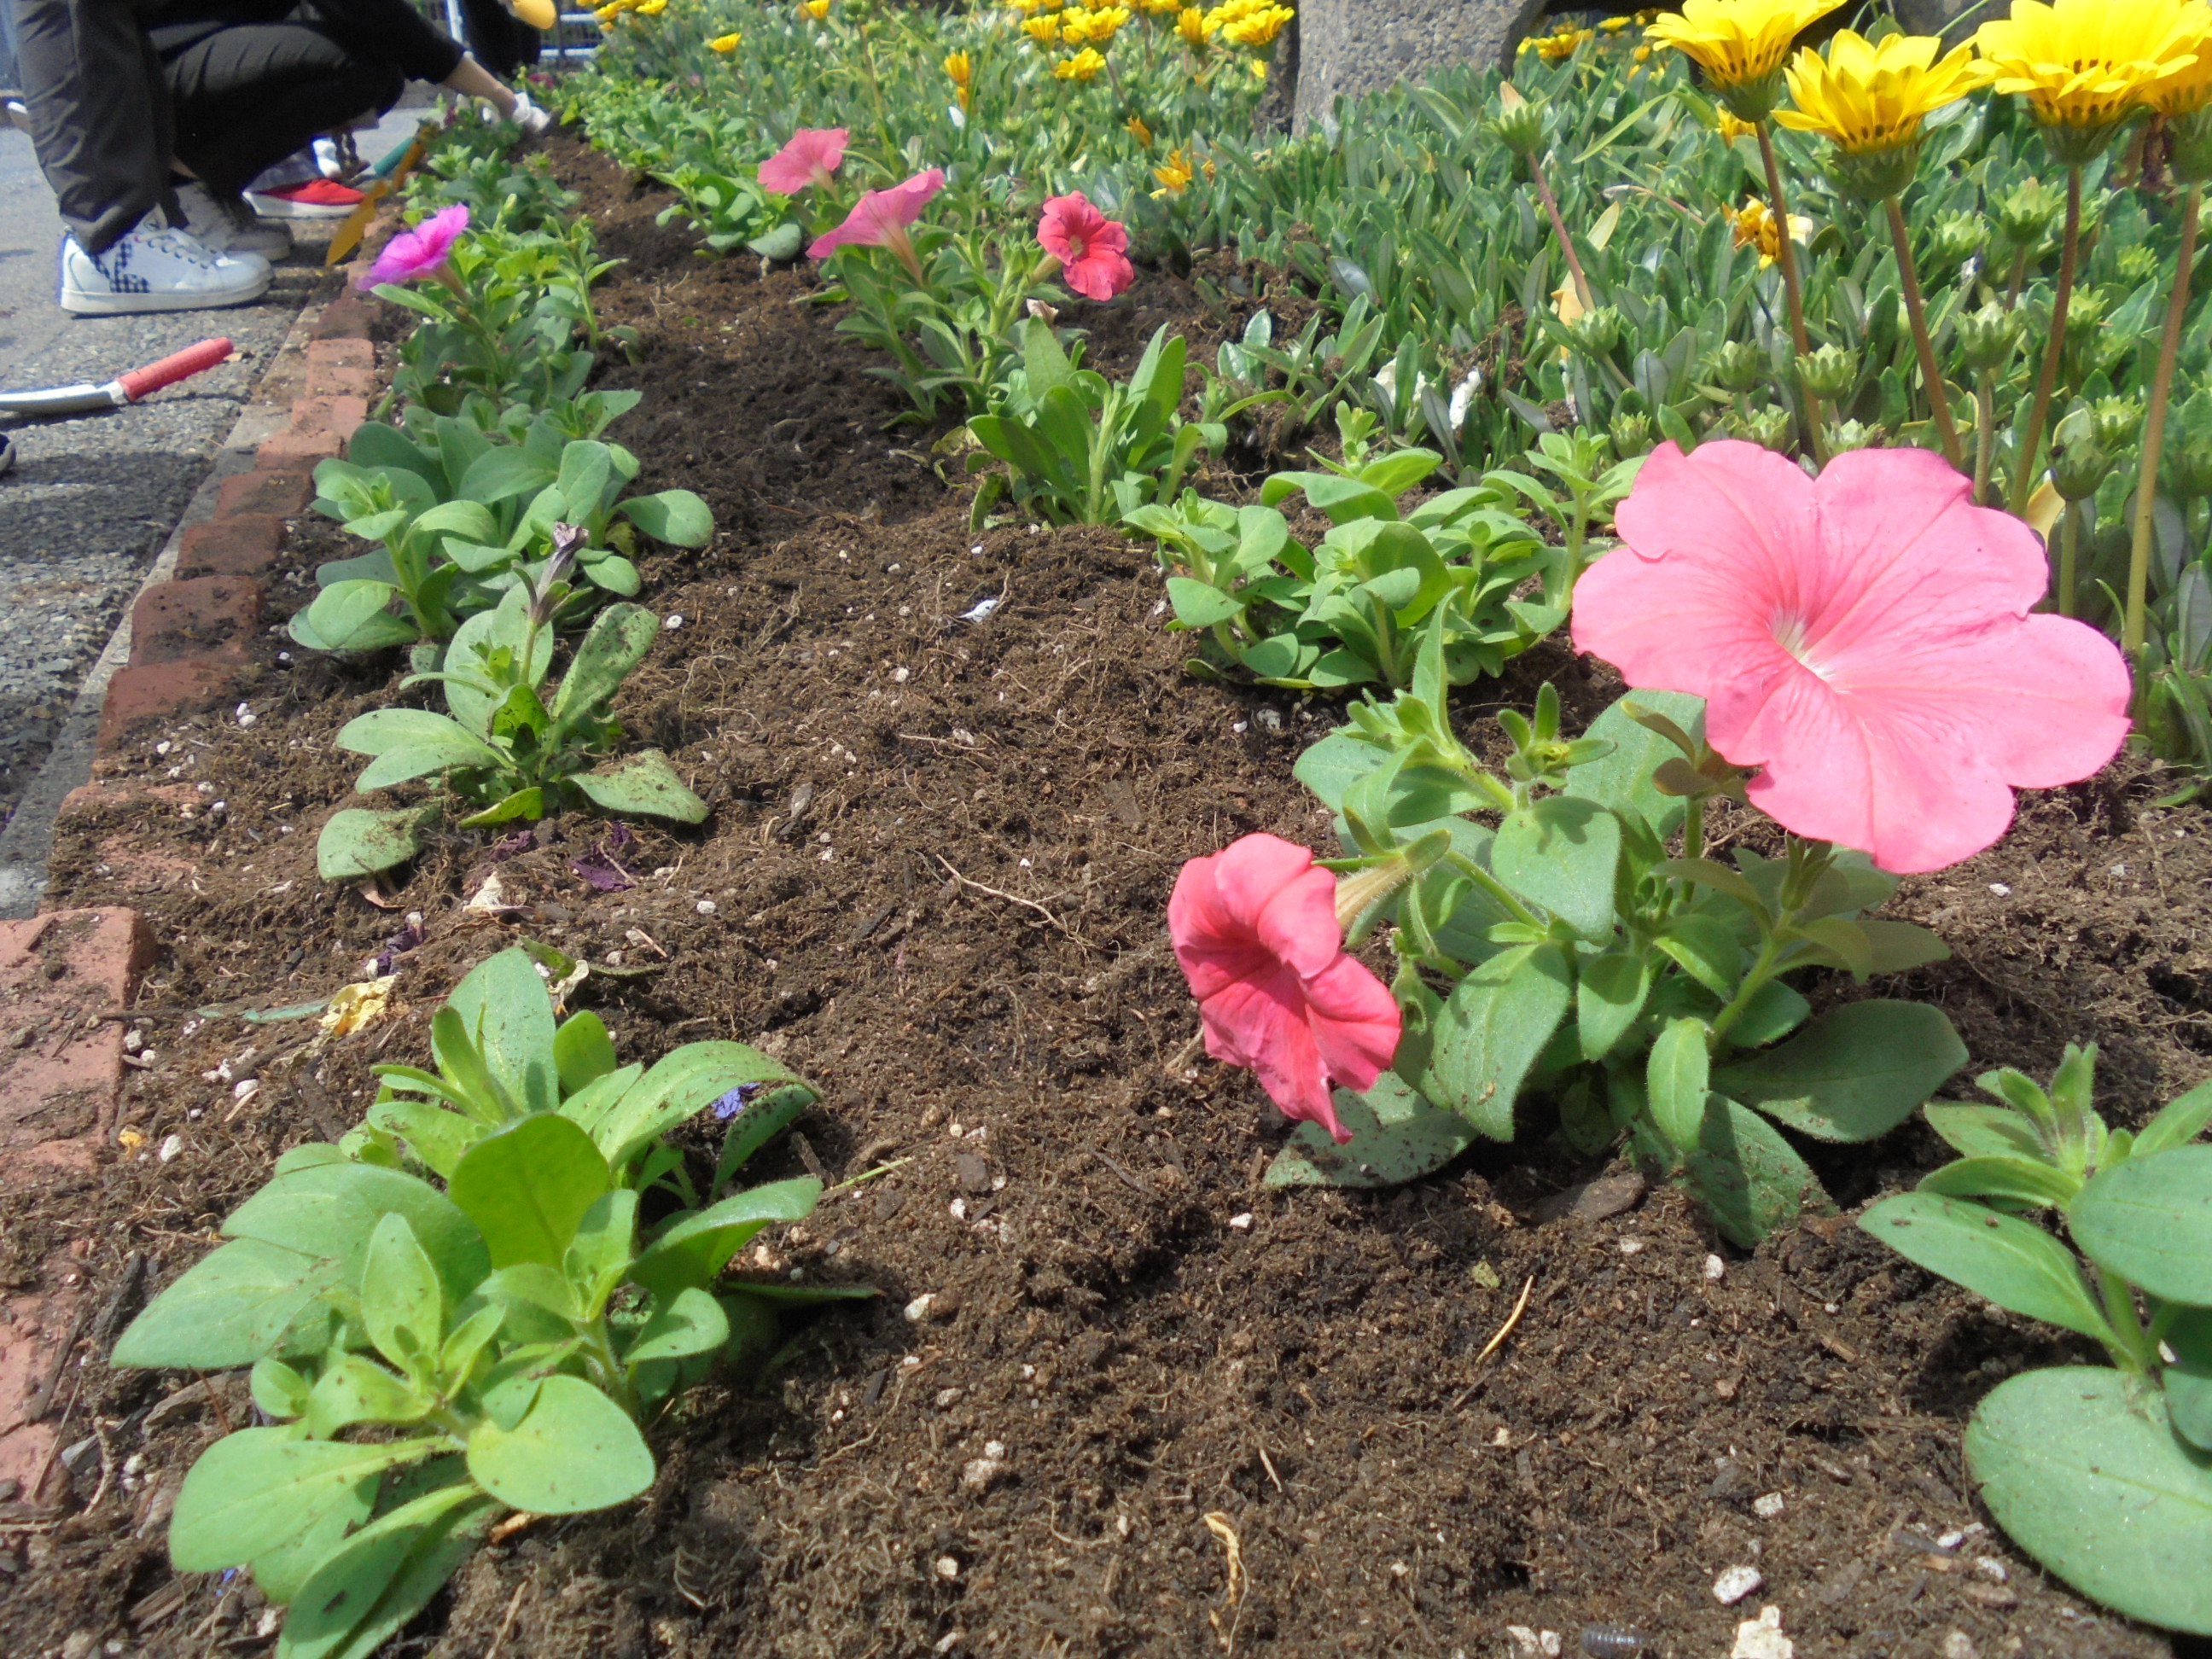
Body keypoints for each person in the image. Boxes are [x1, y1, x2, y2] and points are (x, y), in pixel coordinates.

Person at [17, 0, 540, 316]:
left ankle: (192, 196)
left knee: (368, 68)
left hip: (170, 57)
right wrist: (503, 99)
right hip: (142, 70)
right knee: (354, 63)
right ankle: (116, 245)